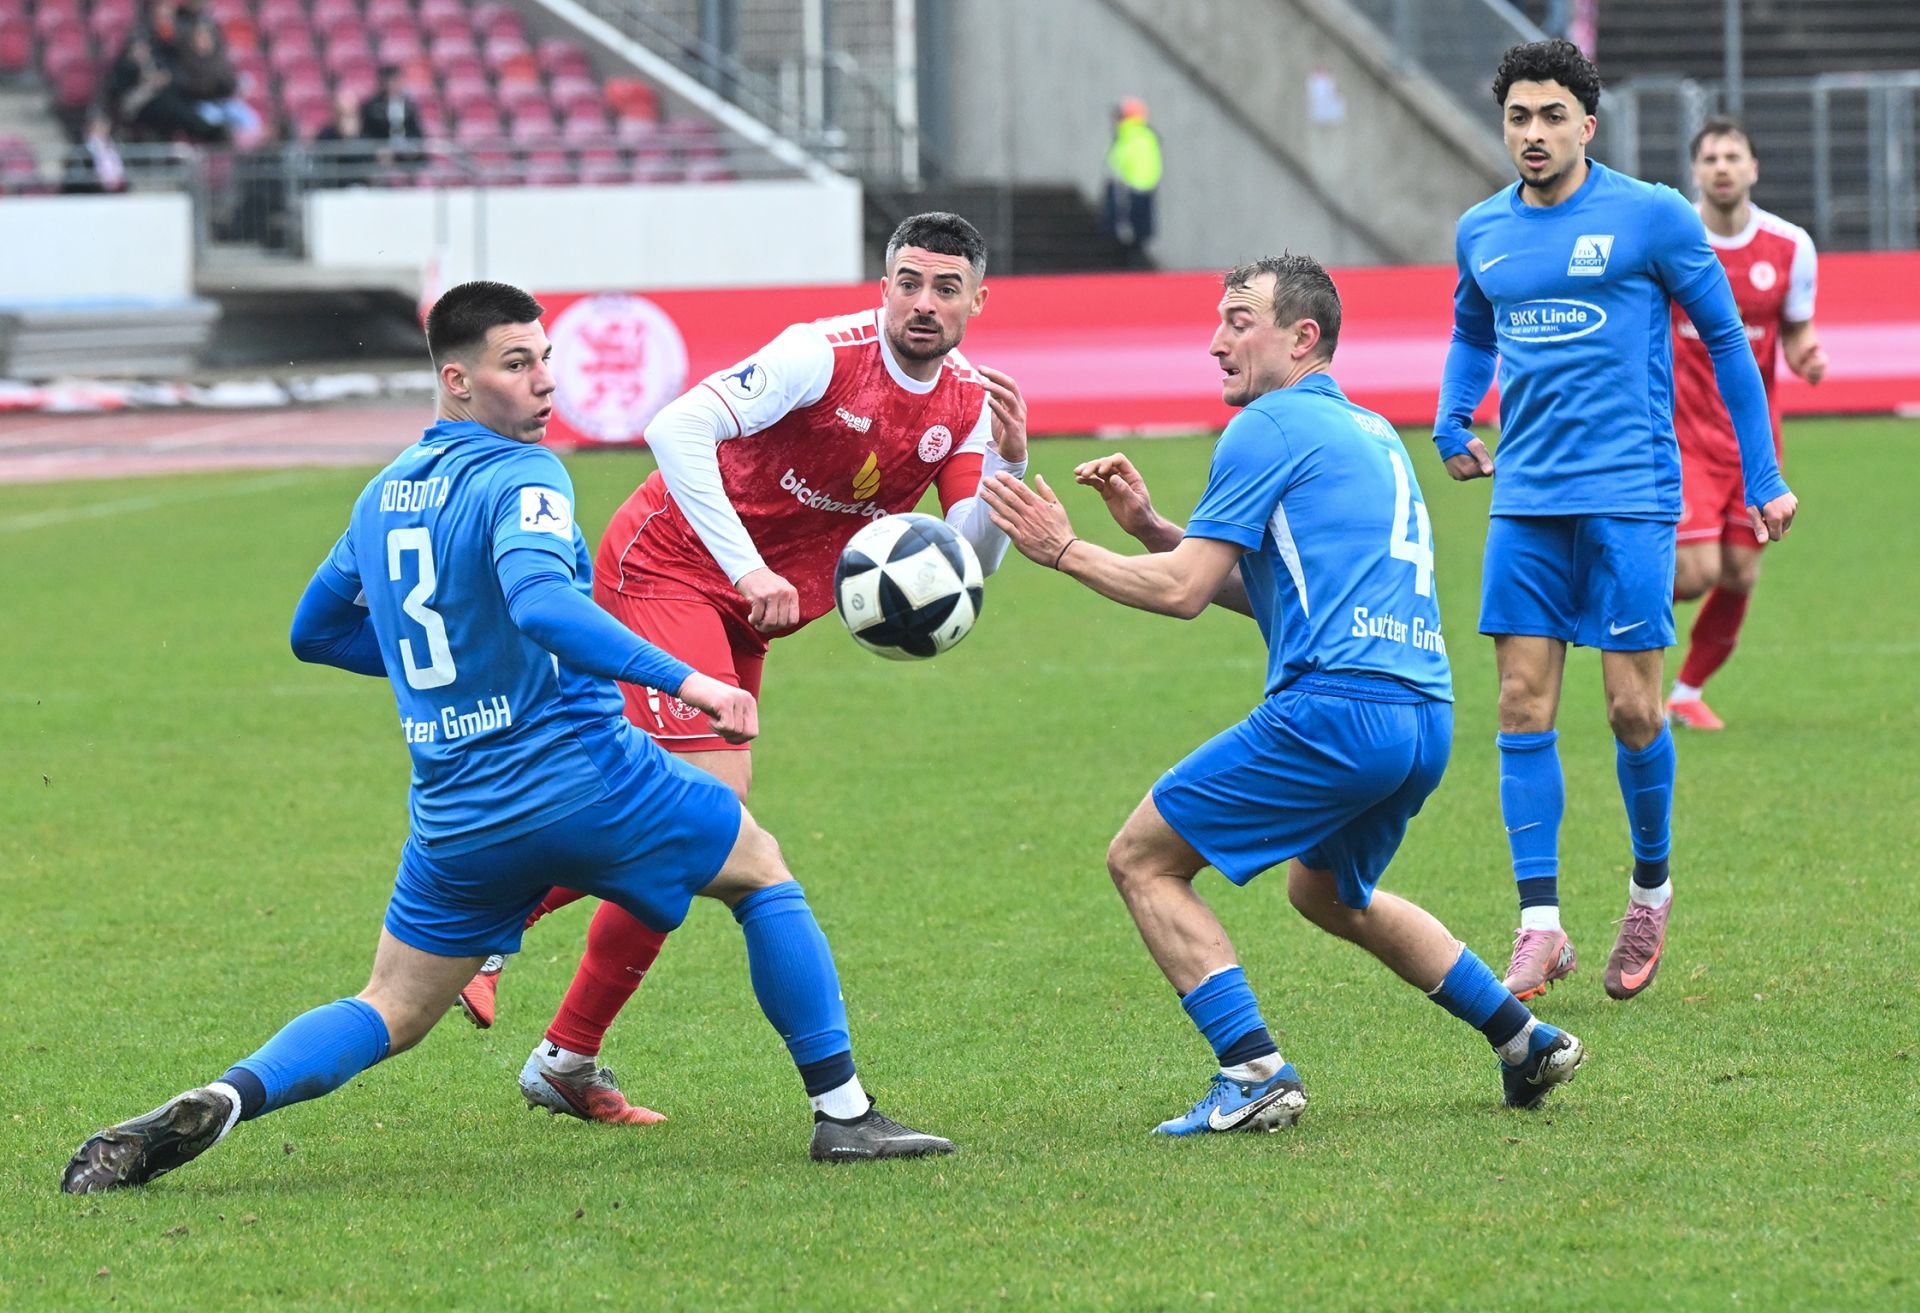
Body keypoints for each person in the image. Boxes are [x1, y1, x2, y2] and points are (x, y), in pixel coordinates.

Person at [59, 280, 953, 1194]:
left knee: (394, 1006)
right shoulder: (525, 474)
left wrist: (448, 665)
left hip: (455, 812)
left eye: (546, 358)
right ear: (457, 379)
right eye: (516, 363)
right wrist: (685, 679)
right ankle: (844, 1114)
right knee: (759, 871)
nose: (545, 383)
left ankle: (228, 1093)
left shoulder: (384, 494)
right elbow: (540, 600)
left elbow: (315, 631)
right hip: (581, 778)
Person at [977, 254, 1586, 1134]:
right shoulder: (1369, 431)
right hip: (1422, 716)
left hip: (1335, 711)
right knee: (1329, 892)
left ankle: (1252, 1069)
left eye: (1237, 320)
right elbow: (1275, 587)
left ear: (1302, 337)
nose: (1216, 341)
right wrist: (1153, 529)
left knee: (1143, 859)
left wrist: (1064, 550)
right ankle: (1522, 1037)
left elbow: (1184, 591)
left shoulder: (1266, 427)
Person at [453, 211, 1030, 1127]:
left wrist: (1012, 458)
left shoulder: (967, 401)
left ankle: (565, 1054)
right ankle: (492, 924)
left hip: (749, 610)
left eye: (946, 287)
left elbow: (968, 564)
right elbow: (674, 427)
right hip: (669, 566)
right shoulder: (820, 354)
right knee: (703, 816)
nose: (924, 303)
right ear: (884, 285)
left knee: (681, 836)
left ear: (978, 300)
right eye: (909, 282)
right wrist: (751, 566)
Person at [1431, 41, 1797, 1004]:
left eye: (1553, 116)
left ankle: (1649, 889)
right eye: (1519, 117)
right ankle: (1540, 925)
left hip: (1632, 494)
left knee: (1634, 710)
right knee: (1519, 707)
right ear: (1503, 126)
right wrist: (1452, 414)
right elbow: (1473, 331)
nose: (1535, 134)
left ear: (1587, 125)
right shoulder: (1481, 230)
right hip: (1525, 501)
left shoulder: (1651, 215)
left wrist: (1761, 477)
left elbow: (1724, 337)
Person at [1665, 117, 1826, 731]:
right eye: (1711, 158)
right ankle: (1610, 595)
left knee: (1740, 573)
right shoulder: (1675, 239)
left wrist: (1807, 354)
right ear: (1696, 171)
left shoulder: (1790, 246)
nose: (1723, 167)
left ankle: (1684, 692)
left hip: (1754, 440)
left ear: (1753, 169)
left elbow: (1796, 326)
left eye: (1734, 156)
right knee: (1696, 570)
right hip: (1684, 436)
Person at [1102, 98, 1161, 266]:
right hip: (1141, 187)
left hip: (1128, 188)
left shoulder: (1129, 135)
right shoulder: (1145, 135)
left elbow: (1121, 161)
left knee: (1126, 229)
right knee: (1134, 230)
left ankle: (1129, 263)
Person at [358, 65, 426, 169]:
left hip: (407, 155)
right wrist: (378, 150)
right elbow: (366, 134)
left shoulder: (409, 105)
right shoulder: (371, 107)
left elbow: (416, 131)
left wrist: (414, 148)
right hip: (381, 156)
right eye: (392, 81)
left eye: (398, 80)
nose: (395, 84)